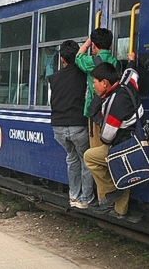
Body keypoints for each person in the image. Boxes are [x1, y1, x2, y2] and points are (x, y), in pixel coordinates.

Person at [83, 53, 140, 218]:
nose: (93, 86)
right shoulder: (128, 85)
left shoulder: (113, 103)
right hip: (138, 141)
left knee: (91, 157)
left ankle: (111, 190)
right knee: (124, 170)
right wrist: (131, 61)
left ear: (105, 83)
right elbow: (132, 74)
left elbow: (106, 138)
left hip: (125, 147)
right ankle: (120, 211)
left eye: (94, 83)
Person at [48, 40, 95, 210]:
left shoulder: (53, 78)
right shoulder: (85, 75)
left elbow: (51, 102)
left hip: (58, 127)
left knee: (71, 158)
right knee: (86, 160)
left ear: (62, 59)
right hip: (77, 125)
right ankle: (85, 198)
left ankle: (73, 197)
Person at [76, 28, 119, 147]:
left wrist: (89, 41)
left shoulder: (91, 62)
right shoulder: (115, 62)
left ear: (93, 45)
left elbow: (78, 56)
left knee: (96, 148)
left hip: (96, 109)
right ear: (110, 46)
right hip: (114, 109)